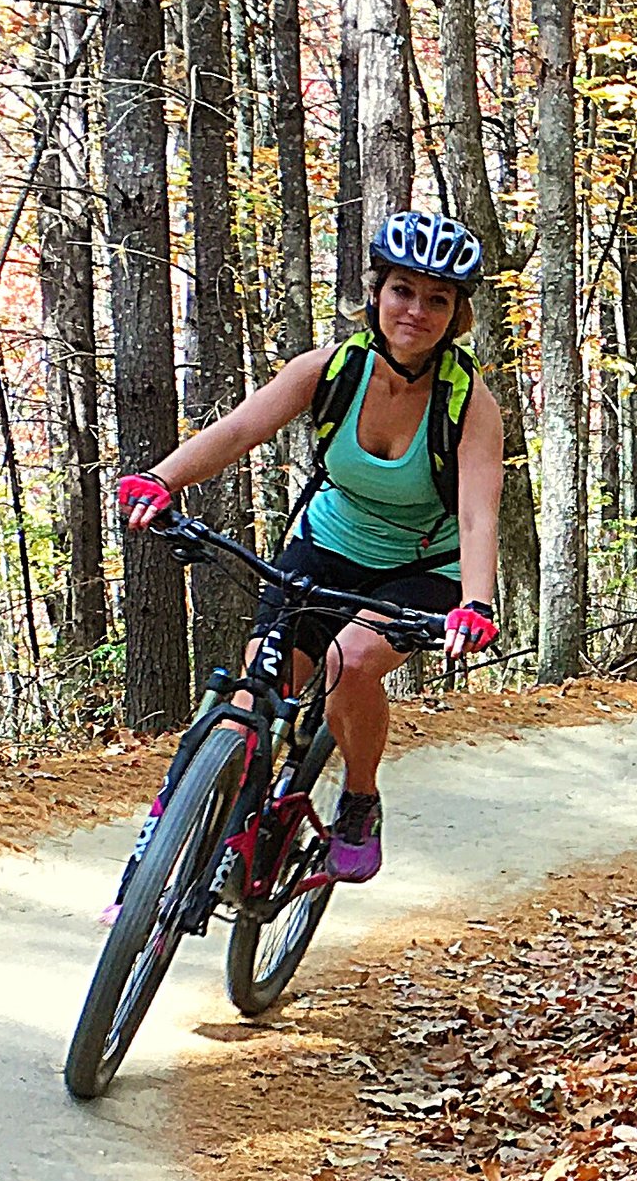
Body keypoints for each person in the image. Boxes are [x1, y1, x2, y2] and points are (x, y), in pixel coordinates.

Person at [112, 210, 505, 883]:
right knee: (256, 689)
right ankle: (219, 833)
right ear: (376, 293)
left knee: (349, 663)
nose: (416, 310)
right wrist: (161, 478)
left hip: (422, 566)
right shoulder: (329, 371)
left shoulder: (469, 405)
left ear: (457, 313)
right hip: (327, 544)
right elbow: (237, 431)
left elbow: (476, 516)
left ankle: (358, 798)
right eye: (403, 290)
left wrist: (475, 602)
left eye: (437, 299)